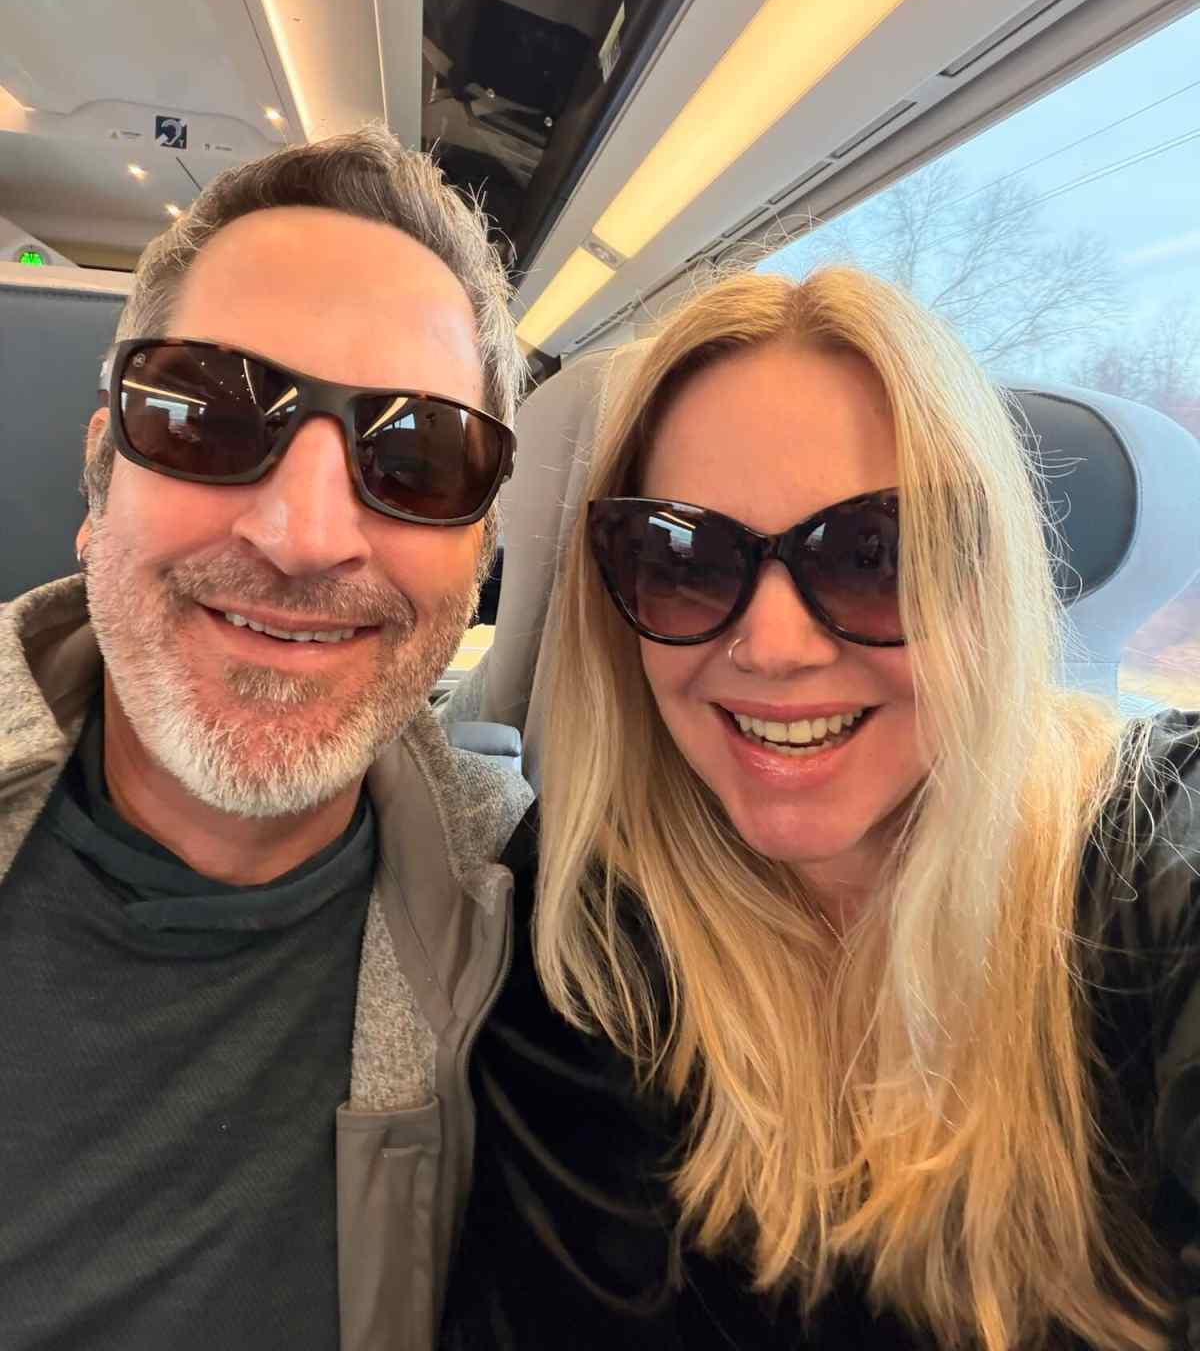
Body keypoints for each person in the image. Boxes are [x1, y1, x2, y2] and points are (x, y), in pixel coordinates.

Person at [441, 268, 1200, 1351]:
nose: (774, 645)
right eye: (683, 559)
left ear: (982, 583)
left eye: (871, 555)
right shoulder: (595, 933)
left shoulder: (1153, 863)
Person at [0, 127, 532, 1351]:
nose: (304, 534)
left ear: (478, 558)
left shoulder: (543, 927)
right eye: (209, 417)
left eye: (417, 457)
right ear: (99, 481)